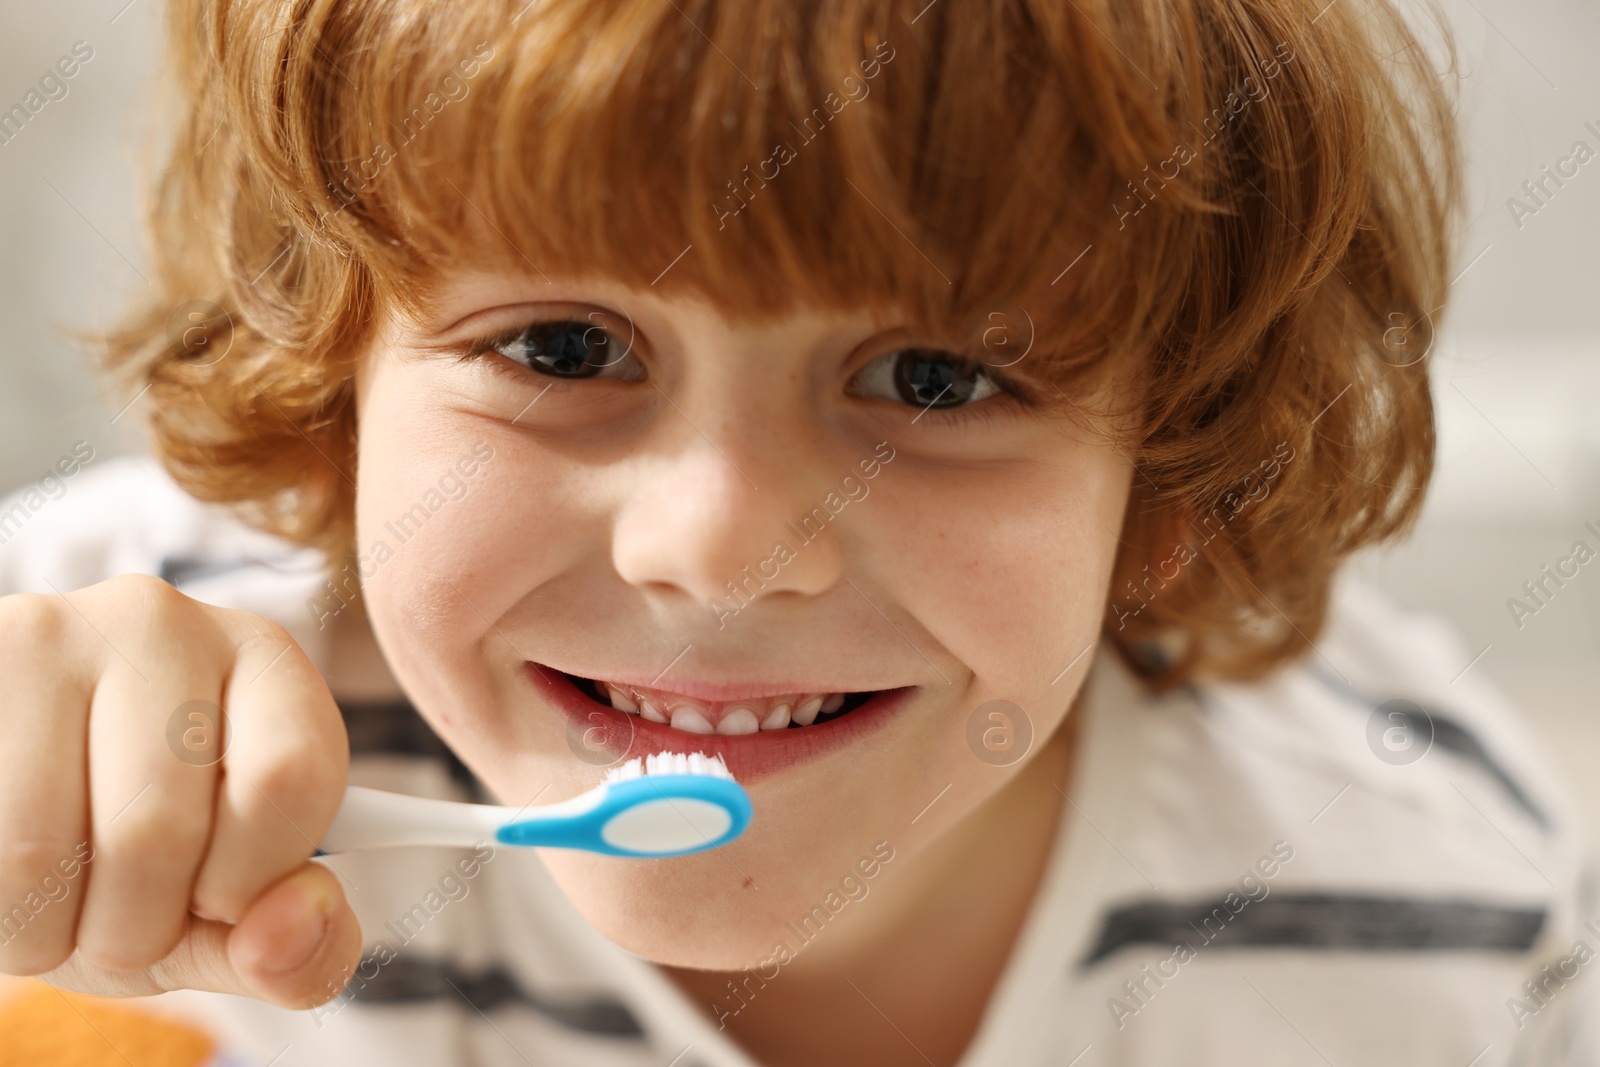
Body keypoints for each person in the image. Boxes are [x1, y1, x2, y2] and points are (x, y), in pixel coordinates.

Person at [0, 0, 1593, 1063]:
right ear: (330, 389)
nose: (724, 549)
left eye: (933, 377)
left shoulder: (1439, 913)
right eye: (563, 352)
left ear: (1174, 483)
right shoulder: (100, 699)